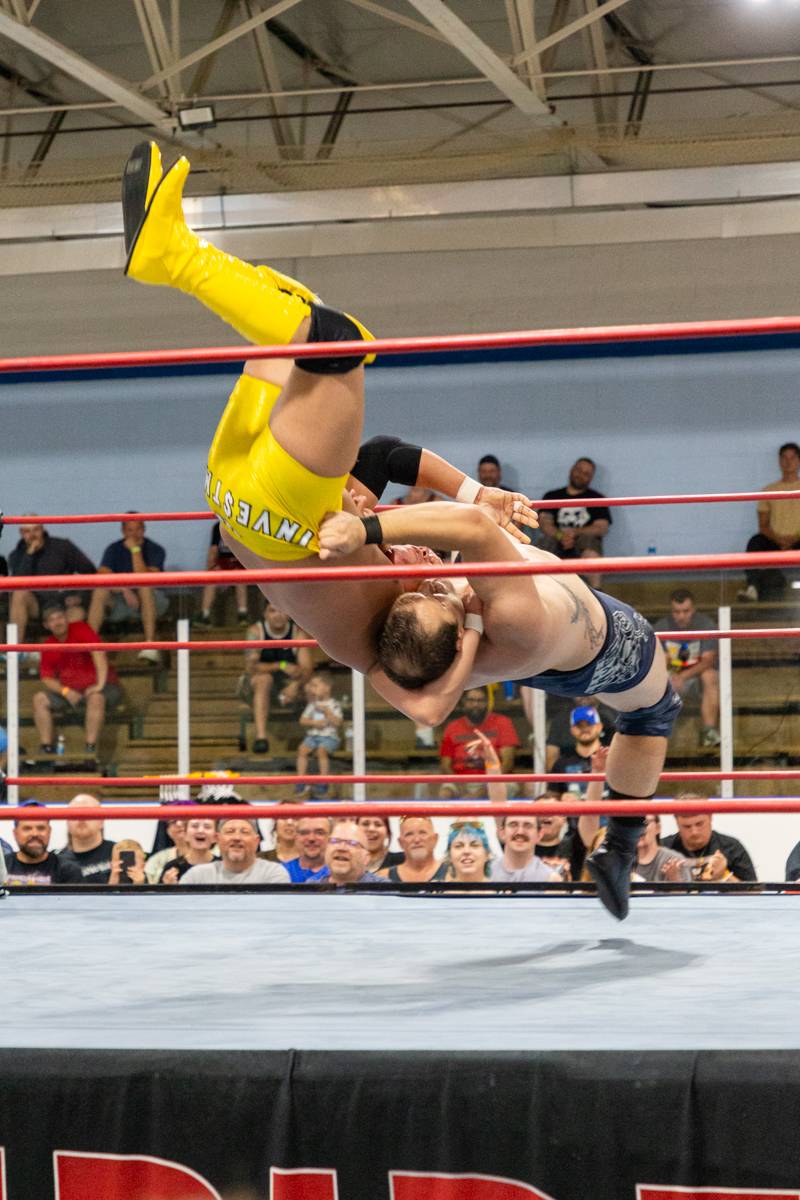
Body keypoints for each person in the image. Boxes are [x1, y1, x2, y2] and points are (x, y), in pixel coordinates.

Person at [125, 142, 671, 919]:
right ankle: (615, 849)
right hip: (234, 504)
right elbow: (444, 583)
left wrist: (386, 528)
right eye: (433, 579)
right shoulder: (424, 630)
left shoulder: (432, 616)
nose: (425, 566)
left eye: (420, 576)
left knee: (336, 341)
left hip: (283, 520)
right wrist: (426, 536)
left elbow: (450, 529)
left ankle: (172, 256)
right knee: (302, 331)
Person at [320, 496, 681, 920]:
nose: (435, 584)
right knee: (652, 713)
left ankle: (619, 849)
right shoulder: (507, 615)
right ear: (457, 639)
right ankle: (620, 849)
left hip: (536, 651)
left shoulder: (429, 652)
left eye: (427, 589)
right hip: (607, 646)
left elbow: (428, 707)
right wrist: (364, 528)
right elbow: (472, 525)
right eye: (435, 595)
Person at [33, 600, 122, 757]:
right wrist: (66, 691)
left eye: (60, 617)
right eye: (52, 620)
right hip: (72, 691)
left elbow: (98, 653)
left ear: (66, 618)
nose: (57, 622)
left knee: (96, 698)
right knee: (39, 699)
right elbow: (46, 678)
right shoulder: (48, 644)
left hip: (105, 686)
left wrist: (99, 685)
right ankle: (46, 747)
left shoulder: (81, 629)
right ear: (46, 625)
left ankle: (90, 750)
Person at [87, 514, 168, 665]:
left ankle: (150, 645)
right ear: (123, 531)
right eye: (129, 530)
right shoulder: (113, 549)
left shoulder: (156, 549)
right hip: (122, 600)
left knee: (145, 587)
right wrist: (123, 588)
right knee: (100, 590)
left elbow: (144, 577)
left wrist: (135, 550)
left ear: (144, 530)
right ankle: (90, 646)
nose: (134, 534)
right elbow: (102, 574)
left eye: (138, 529)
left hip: (152, 602)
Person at [239, 601, 314, 754]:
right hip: (256, 686)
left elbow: (307, 669)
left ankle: (316, 741)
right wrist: (280, 665)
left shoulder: (298, 633)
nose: (278, 616)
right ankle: (261, 737)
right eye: (272, 611)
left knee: (313, 685)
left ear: (289, 614)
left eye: (282, 611)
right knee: (264, 679)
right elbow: (251, 668)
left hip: (287, 685)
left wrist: (296, 685)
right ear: (265, 614)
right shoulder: (256, 632)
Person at [8, 518, 95, 645]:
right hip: (38, 605)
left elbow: (90, 571)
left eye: (36, 530)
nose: (32, 535)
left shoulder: (63, 546)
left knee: (78, 614)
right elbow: (18, 583)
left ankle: (77, 656)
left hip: (64, 603)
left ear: (43, 529)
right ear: (21, 533)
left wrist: (79, 596)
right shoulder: (16, 555)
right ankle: (15, 651)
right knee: (19, 595)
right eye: (27, 531)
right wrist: (29, 554)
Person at [653, 588, 720, 748]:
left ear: (693, 609)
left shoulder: (706, 625)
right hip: (670, 679)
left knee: (709, 675)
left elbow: (708, 661)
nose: (681, 616)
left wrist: (683, 677)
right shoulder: (661, 626)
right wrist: (672, 676)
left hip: (695, 680)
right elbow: (658, 660)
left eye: (686, 611)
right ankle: (659, 738)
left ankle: (709, 732)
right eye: (677, 612)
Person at [739, 442, 800, 601]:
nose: (788, 462)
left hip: (798, 541)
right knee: (755, 542)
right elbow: (763, 525)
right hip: (774, 541)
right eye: (784, 458)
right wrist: (778, 539)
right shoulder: (769, 490)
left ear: (798, 461)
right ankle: (752, 588)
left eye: (792, 458)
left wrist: (794, 538)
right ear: (779, 461)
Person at [537, 457, 611, 588]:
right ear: (572, 470)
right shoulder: (552, 496)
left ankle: (597, 595)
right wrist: (561, 536)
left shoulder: (597, 498)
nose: (581, 475)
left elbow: (602, 527)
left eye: (586, 473)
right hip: (556, 539)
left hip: (583, 542)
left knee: (592, 545)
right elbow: (544, 523)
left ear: (591, 478)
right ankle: (539, 591)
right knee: (543, 543)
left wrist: (575, 532)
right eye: (579, 470)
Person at [659, 805, 757, 882]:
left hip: (721, 906)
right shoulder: (663, 848)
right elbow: (653, 897)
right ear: (677, 822)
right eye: (687, 826)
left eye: (699, 824)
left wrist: (724, 876)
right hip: (678, 906)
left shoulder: (731, 847)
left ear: (710, 818)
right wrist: (671, 882)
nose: (694, 832)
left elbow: (753, 893)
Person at [181, 815, 289, 884]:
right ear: (217, 839)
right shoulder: (196, 876)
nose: (237, 838)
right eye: (230, 831)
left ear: (256, 841)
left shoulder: (273, 873)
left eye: (244, 832)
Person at [439, 687, 520, 775]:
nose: (475, 704)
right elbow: (445, 766)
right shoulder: (452, 727)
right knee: (446, 789)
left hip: (496, 778)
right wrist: (458, 785)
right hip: (459, 781)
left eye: (480, 700)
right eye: (471, 700)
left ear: (487, 702)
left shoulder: (503, 722)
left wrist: (489, 785)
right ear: (463, 702)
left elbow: (508, 763)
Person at [3, 803, 83, 885]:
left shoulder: (68, 870)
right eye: (27, 828)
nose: (35, 834)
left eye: (41, 828)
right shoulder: (2, 867)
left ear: (49, 831)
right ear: (15, 833)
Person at [295, 671, 344, 797]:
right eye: (311, 686)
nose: (312, 689)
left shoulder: (334, 705)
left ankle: (324, 780)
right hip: (313, 736)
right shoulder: (313, 705)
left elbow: (338, 723)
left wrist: (328, 713)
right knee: (302, 750)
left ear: (327, 688)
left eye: (315, 686)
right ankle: (301, 780)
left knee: (321, 751)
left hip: (329, 737)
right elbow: (302, 720)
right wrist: (314, 722)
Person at [195, 520, 249, 627]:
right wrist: (210, 569)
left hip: (239, 563)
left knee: (240, 577)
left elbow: (248, 551)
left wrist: (246, 566)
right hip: (223, 564)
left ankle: (243, 614)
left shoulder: (242, 526)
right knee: (212, 577)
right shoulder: (217, 527)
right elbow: (213, 551)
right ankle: (204, 615)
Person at [57, 793, 116, 884]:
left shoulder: (118, 853)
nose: (81, 818)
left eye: (88, 813)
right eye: (75, 814)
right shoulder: (56, 861)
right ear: (67, 822)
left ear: (101, 821)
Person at [550, 704, 605, 795]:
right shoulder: (561, 763)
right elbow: (552, 796)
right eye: (579, 726)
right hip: (572, 809)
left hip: (608, 808)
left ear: (599, 727)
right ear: (572, 730)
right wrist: (561, 798)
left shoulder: (611, 758)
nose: (584, 729)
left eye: (589, 724)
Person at [315, 819, 387, 885]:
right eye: (335, 841)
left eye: (351, 843)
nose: (341, 848)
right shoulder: (309, 890)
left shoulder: (383, 890)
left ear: (366, 858)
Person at [379, 815, 447, 883]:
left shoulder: (451, 874)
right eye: (409, 834)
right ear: (401, 842)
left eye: (422, 832)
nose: (416, 840)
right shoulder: (382, 877)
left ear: (435, 839)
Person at [635, 815, 691, 884]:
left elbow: (687, 893)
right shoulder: (623, 860)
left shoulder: (674, 860)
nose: (637, 828)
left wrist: (674, 878)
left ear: (658, 828)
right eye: (632, 824)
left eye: (645, 823)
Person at [160, 817, 218, 883]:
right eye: (195, 826)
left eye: (207, 827)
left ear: (215, 837)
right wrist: (169, 888)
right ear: (185, 835)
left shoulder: (223, 866)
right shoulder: (172, 868)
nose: (200, 830)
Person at [282, 815, 331, 882]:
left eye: (319, 833)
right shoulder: (282, 871)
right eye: (304, 833)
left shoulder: (339, 874)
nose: (311, 838)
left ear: (330, 838)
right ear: (296, 837)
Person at [444, 821, 493, 885]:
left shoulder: (503, 893)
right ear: (449, 855)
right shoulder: (434, 893)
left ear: (487, 854)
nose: (466, 851)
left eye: (474, 845)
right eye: (458, 846)